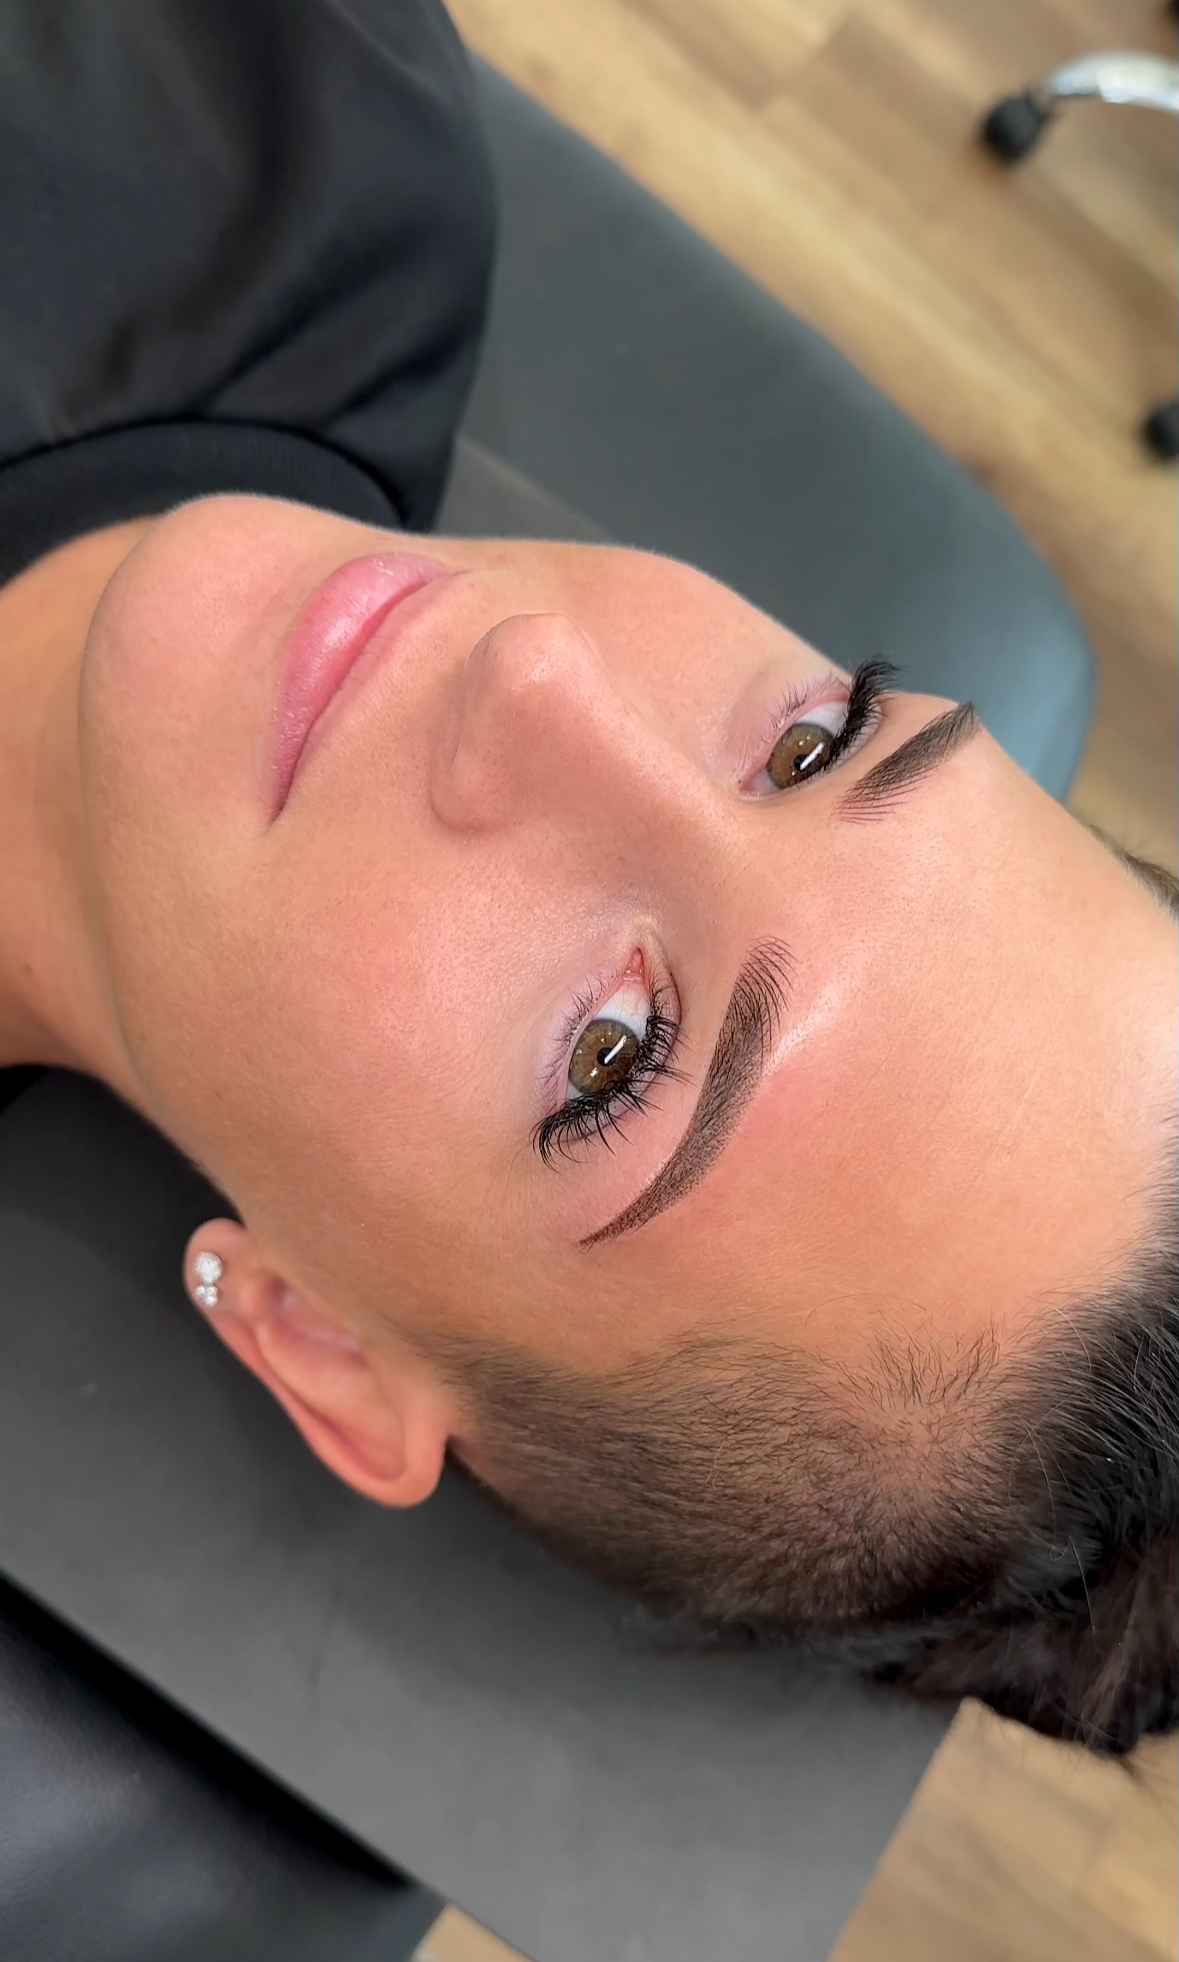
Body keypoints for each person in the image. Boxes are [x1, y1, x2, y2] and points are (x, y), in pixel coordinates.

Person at [1, 0, 1175, 1758]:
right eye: (814, 745)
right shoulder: (304, 105)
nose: (542, 681)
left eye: (613, 1058)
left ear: (320, 1341)